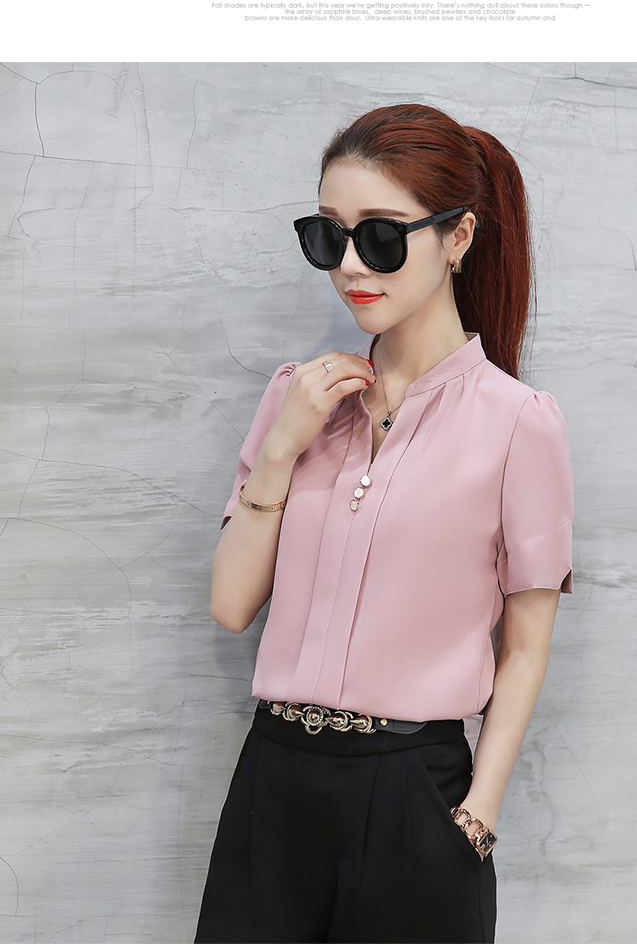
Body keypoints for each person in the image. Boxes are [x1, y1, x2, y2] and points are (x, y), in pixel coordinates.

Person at [194, 102, 574, 944]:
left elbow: (525, 647)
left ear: (459, 236)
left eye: (381, 236)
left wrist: (475, 817)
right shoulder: (298, 397)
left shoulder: (519, 423)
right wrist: (283, 448)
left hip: (415, 796)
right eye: (328, 236)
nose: (350, 265)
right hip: (274, 782)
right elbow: (230, 606)